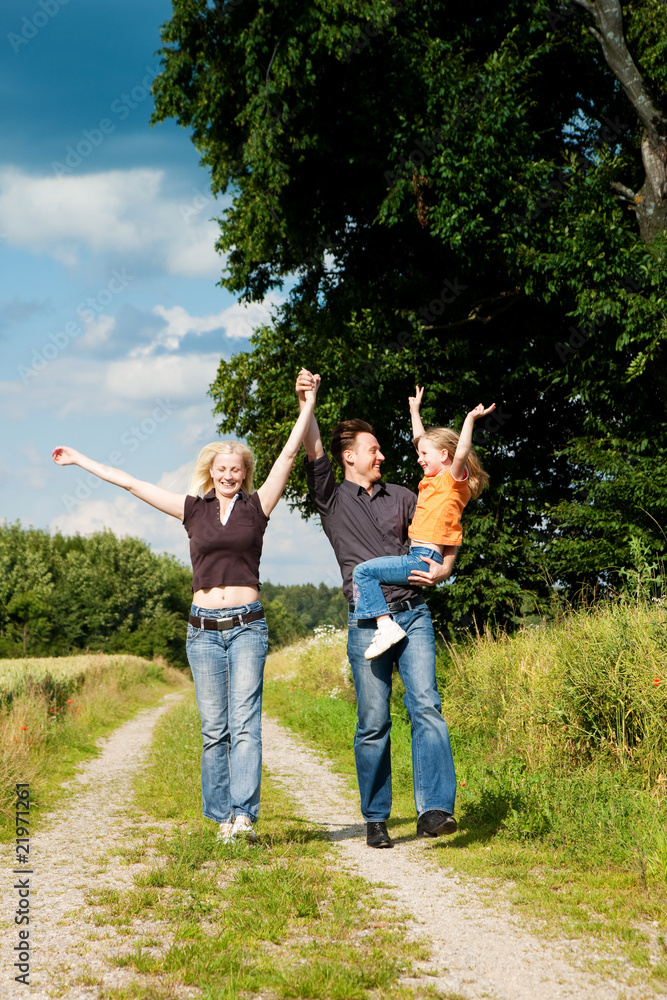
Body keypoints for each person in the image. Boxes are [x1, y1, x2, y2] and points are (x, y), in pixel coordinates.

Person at [52, 379, 318, 844]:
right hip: (203, 632)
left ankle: (245, 818)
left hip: (247, 628)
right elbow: (132, 483)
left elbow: (289, 457)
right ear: (210, 471)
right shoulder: (191, 510)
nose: (229, 475)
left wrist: (307, 405)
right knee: (214, 728)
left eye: (237, 469)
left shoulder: (258, 507)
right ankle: (220, 819)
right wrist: (80, 460)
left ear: (245, 473)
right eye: (222, 469)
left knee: (245, 727)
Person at [295, 370, 460, 849]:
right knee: (374, 722)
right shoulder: (330, 496)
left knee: (426, 705)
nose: (383, 456)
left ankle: (434, 810)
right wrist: (309, 400)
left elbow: (442, 534)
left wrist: (443, 572)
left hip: (414, 614)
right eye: (374, 450)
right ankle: (376, 818)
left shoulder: (405, 497)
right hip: (367, 623)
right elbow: (313, 447)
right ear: (351, 457)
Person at [352, 386, 494, 660]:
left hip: (422, 558)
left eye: (425, 456)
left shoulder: (452, 480)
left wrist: (470, 419)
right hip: (419, 556)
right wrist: (414, 411)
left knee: (363, 573)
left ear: (444, 456)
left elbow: (461, 451)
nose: (419, 458)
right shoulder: (432, 479)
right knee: (369, 573)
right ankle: (387, 625)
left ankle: (385, 626)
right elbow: (421, 440)